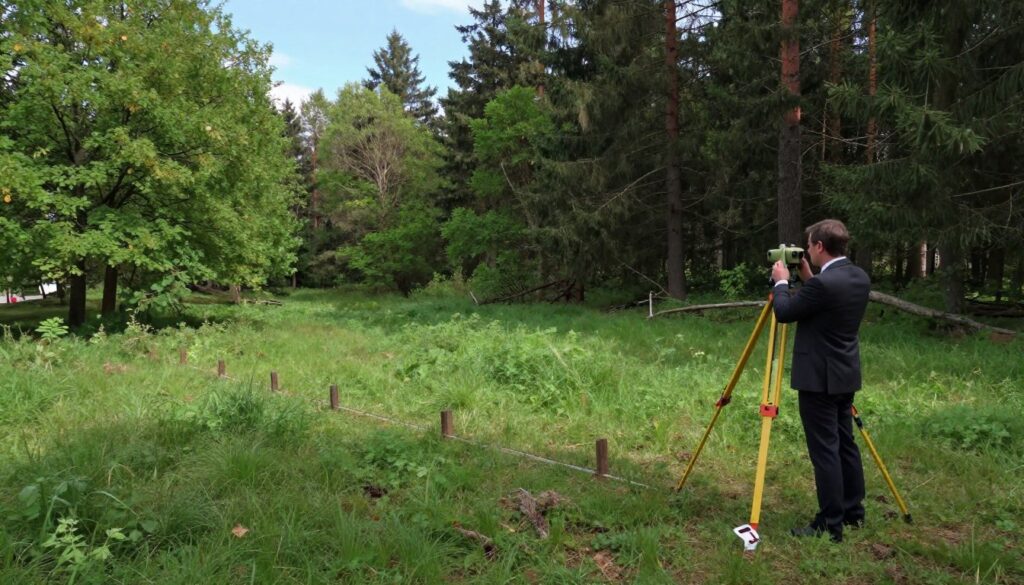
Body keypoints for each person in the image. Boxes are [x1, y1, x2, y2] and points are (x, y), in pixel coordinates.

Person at [770, 219, 870, 543]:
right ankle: (853, 511)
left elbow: (784, 312)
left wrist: (781, 283)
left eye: (809, 245)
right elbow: (823, 300)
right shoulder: (857, 277)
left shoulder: (823, 286)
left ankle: (829, 523)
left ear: (819, 247)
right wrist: (807, 279)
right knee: (845, 444)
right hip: (844, 375)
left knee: (825, 451)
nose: (807, 250)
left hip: (818, 380)